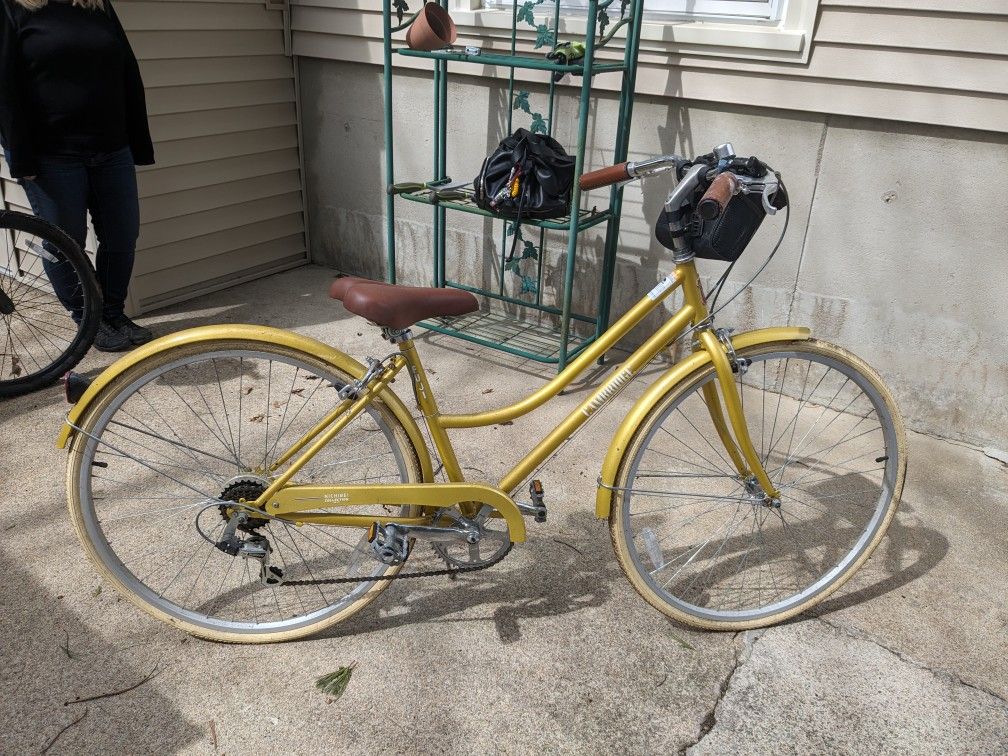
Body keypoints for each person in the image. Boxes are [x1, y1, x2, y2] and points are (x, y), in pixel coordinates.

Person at [0, 0, 154, 351]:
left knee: (122, 235)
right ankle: (90, 320)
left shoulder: (95, 4)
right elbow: (4, 87)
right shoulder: (12, 7)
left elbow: (126, 69)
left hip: (111, 148)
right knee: (65, 244)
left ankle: (113, 313)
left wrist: (137, 140)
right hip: (52, 155)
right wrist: (21, 157)